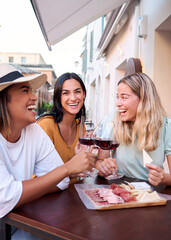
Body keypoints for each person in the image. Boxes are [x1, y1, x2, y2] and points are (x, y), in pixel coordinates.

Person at [0, 64, 94, 239]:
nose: (34, 98)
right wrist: (67, 168)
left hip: (19, 219)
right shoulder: (45, 125)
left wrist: (22, 193)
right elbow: (5, 197)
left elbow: (62, 182)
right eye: (24, 91)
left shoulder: (33, 131)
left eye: (31, 91)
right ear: (3, 99)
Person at [95, 72, 171, 186]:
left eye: (124, 97)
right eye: (117, 97)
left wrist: (163, 178)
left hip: (151, 194)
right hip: (120, 189)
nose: (117, 103)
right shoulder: (113, 119)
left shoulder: (166, 126)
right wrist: (103, 168)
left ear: (144, 100)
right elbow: (99, 162)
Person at [37, 72, 87, 182]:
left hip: (71, 193)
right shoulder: (46, 125)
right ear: (58, 97)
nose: (73, 98)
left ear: (83, 94)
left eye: (77, 92)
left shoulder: (81, 127)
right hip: (47, 197)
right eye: (66, 93)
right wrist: (72, 169)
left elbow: (80, 170)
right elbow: (40, 178)